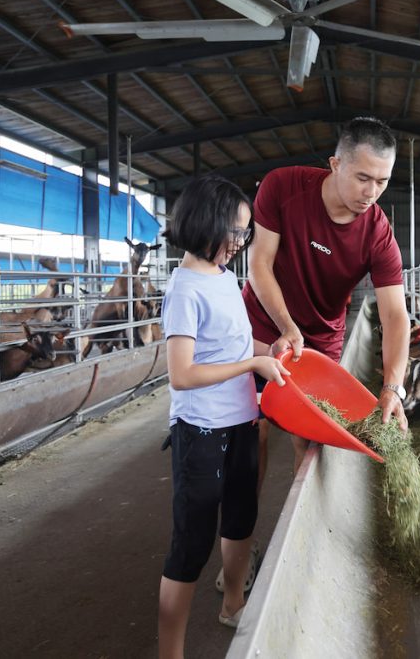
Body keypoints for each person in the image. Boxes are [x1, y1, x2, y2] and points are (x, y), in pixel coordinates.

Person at [157, 175, 291, 659]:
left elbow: (234, 346)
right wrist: (253, 365)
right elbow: (183, 374)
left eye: (244, 233)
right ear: (204, 223)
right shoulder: (185, 289)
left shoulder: (225, 278)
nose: (239, 243)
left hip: (241, 422)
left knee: (240, 518)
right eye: (234, 232)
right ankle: (170, 650)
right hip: (201, 431)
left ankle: (233, 604)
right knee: (191, 544)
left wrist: (268, 348)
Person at [243, 116, 412, 475]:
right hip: (262, 332)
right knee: (251, 434)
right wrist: (285, 326)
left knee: (308, 442)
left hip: (319, 346)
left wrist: (393, 387)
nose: (371, 193)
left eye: (382, 181)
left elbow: (395, 315)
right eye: (363, 178)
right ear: (336, 165)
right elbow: (259, 265)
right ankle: (244, 529)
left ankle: (298, 522)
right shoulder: (283, 187)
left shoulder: (378, 234)